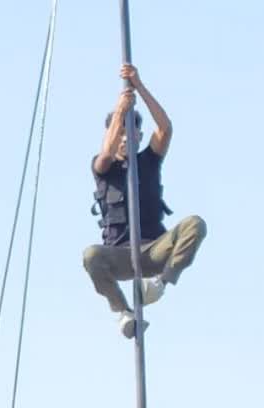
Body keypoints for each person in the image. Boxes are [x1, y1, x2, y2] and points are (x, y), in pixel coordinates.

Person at [83, 64, 206, 338]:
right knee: (91, 256)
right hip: (120, 254)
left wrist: (139, 86)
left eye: (132, 133)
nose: (126, 139)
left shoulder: (149, 161)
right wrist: (120, 111)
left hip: (154, 250)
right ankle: (123, 312)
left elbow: (165, 127)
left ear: (139, 135)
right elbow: (107, 152)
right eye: (120, 133)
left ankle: (159, 284)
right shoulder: (103, 167)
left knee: (195, 224)